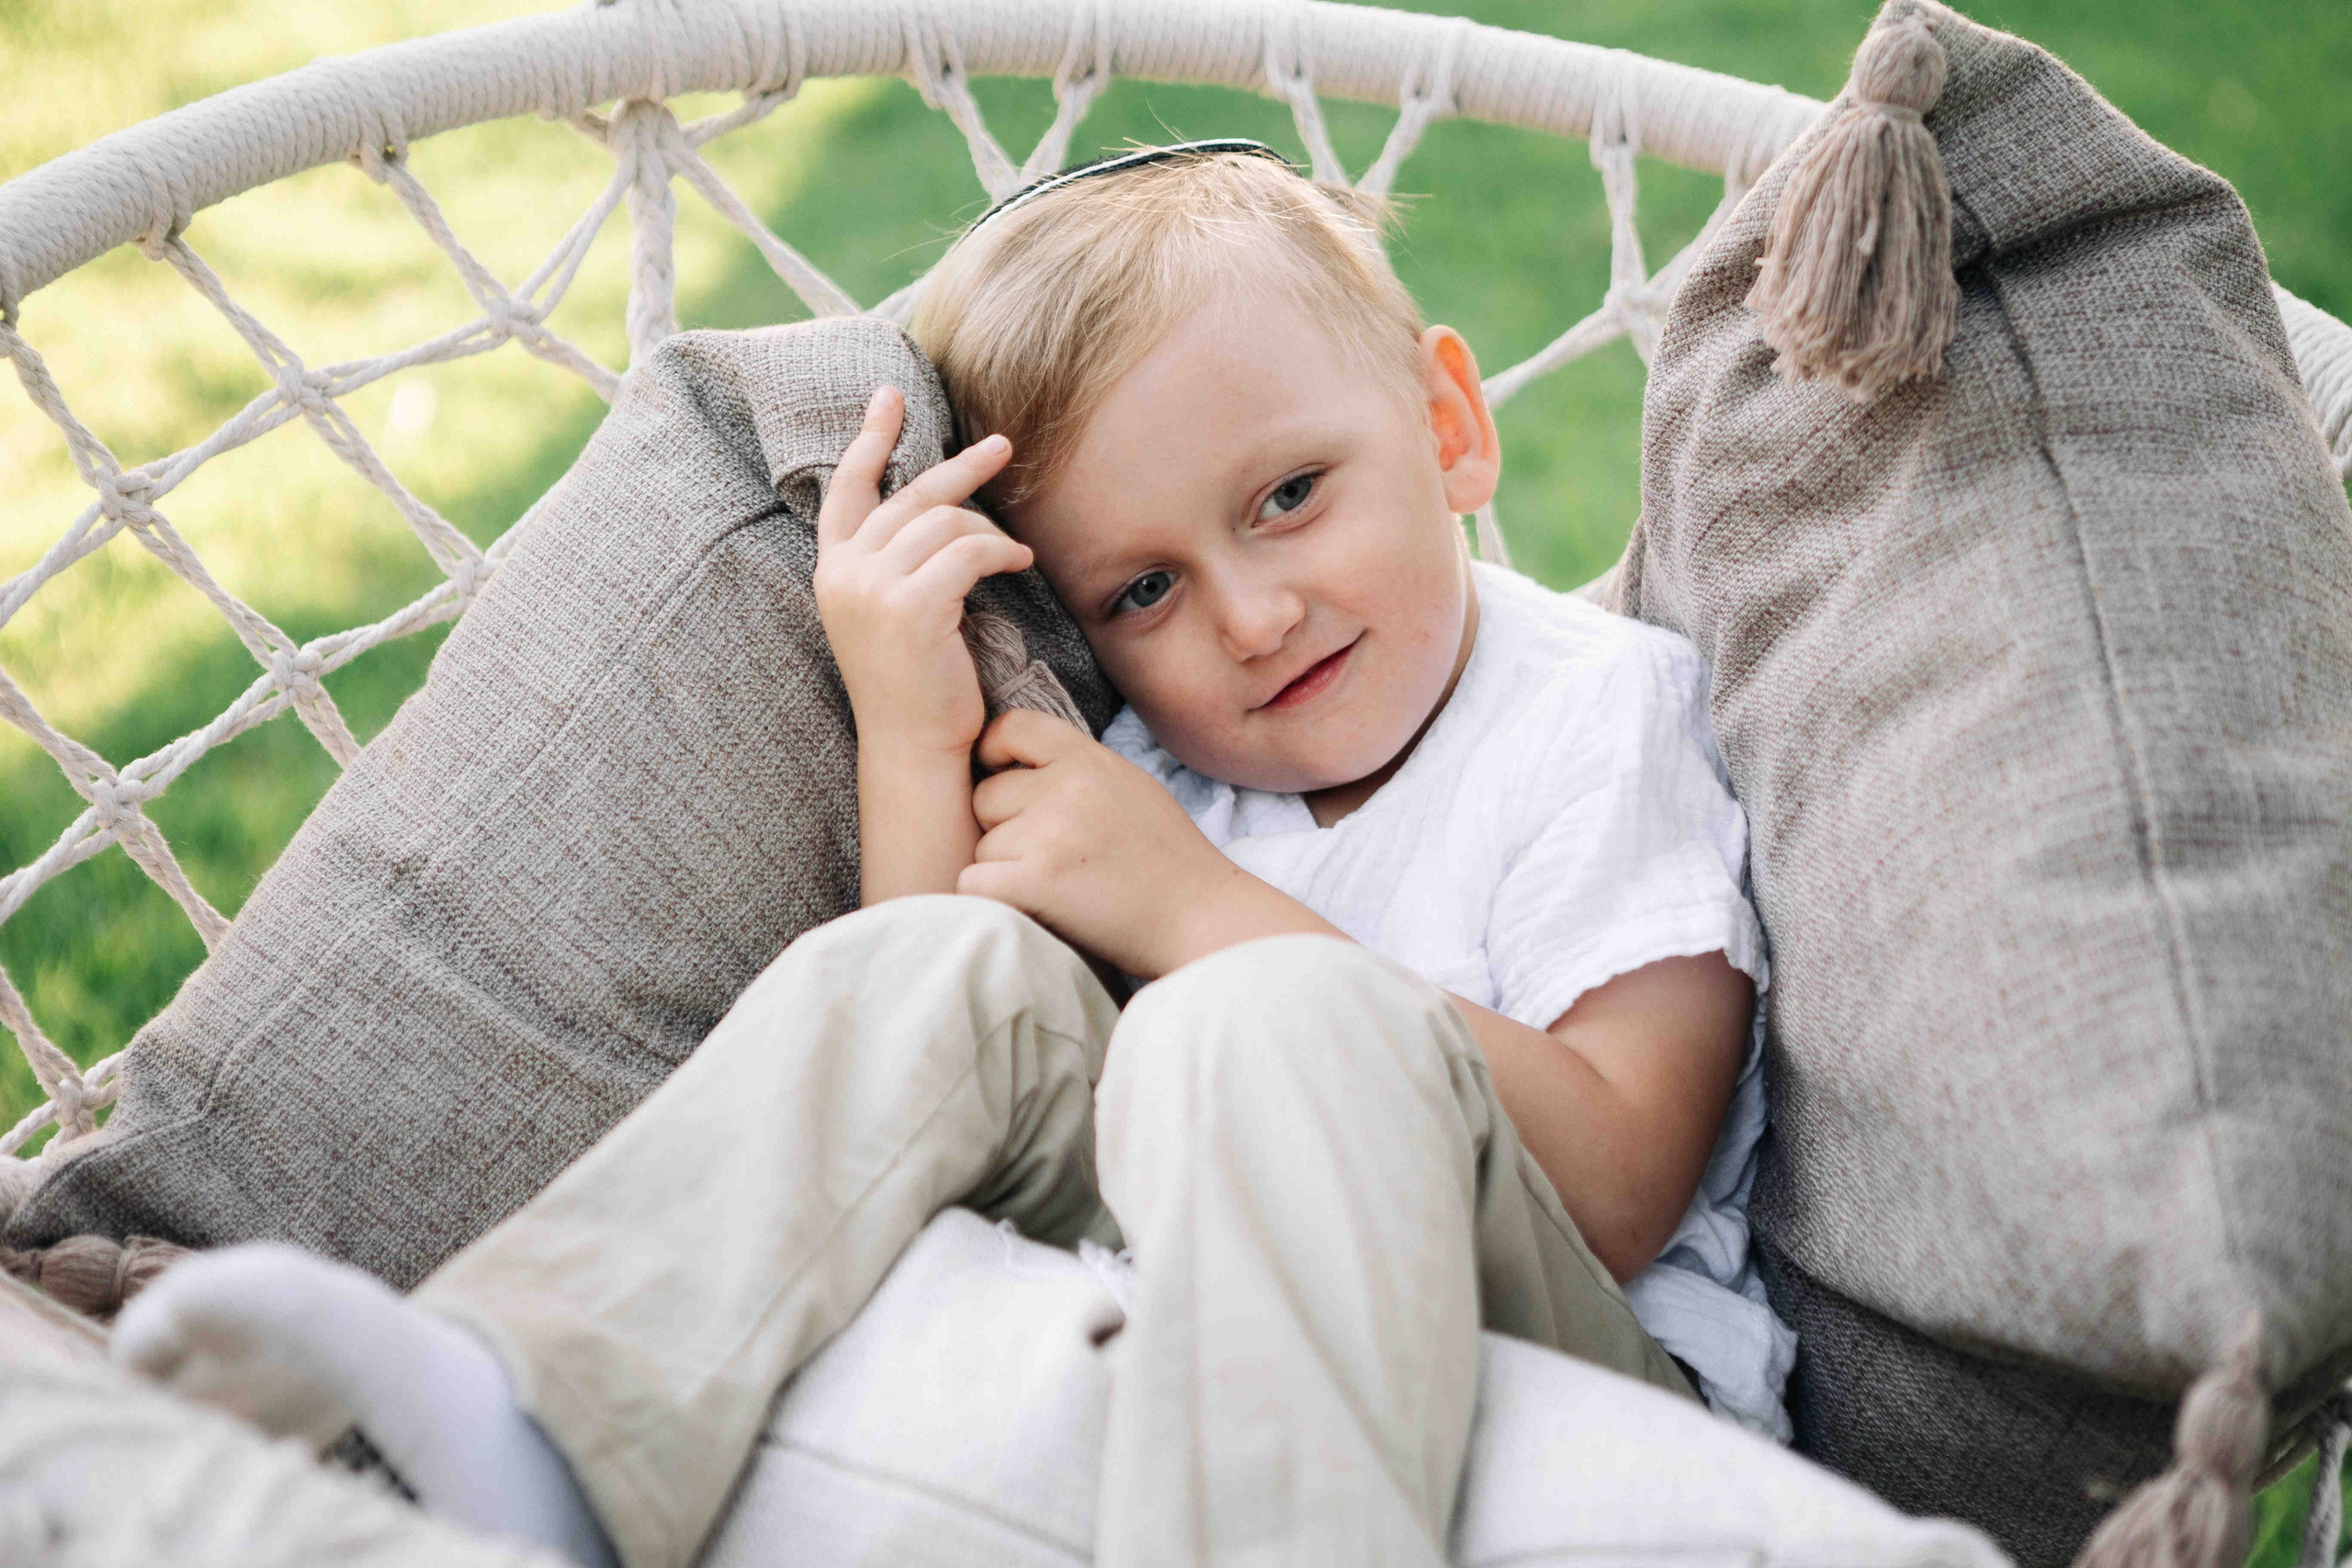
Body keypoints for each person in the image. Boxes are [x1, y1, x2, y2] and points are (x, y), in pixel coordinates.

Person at [111, 142, 1792, 1568]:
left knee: (1256, 1019)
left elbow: (1626, 1184)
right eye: (1143, 589)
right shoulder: (1152, 770)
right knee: (975, 971)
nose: (1254, 616)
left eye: (1289, 493)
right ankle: (536, 1439)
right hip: (1168, 1365)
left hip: (1579, 1377)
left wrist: (1205, 914)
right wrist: (911, 726)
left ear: (1444, 424)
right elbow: (919, 1085)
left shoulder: (1591, 716)